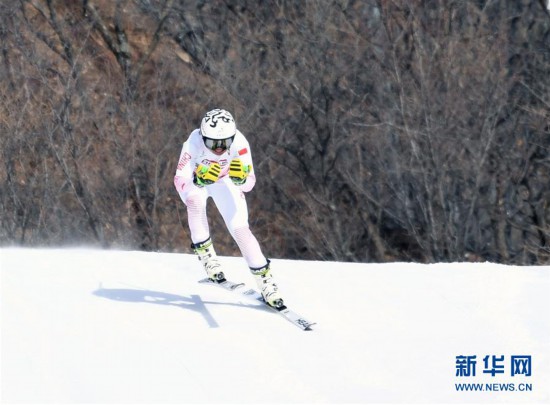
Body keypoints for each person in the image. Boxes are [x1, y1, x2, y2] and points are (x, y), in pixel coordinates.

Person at [174, 108, 283, 307]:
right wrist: (198, 180)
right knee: (195, 203)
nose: (218, 149)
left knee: (240, 230)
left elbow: (250, 184)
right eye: (213, 143)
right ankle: (208, 258)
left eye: (224, 143)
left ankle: (266, 283)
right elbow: (179, 181)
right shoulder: (193, 143)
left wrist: (241, 178)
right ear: (202, 136)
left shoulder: (240, 143)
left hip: (224, 181)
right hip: (197, 180)